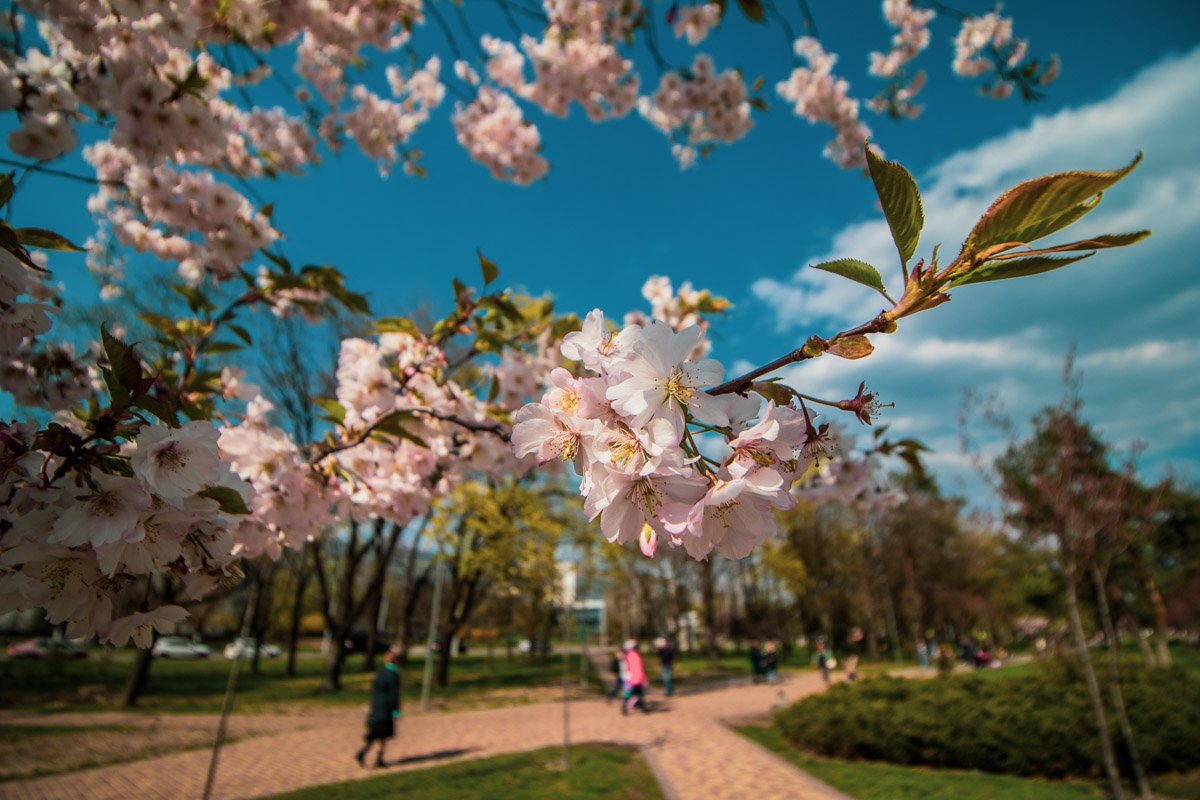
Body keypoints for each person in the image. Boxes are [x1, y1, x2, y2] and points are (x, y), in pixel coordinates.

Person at [355, 647, 401, 768]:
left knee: (375, 733)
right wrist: (396, 710)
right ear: (396, 661)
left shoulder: (380, 672)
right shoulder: (393, 674)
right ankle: (376, 758)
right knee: (383, 735)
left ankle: (367, 754)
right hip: (386, 709)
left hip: (376, 707)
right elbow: (393, 694)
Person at [622, 640, 649, 715]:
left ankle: (642, 707)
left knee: (630, 693)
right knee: (637, 693)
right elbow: (637, 668)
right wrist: (643, 678)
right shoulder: (634, 655)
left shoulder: (627, 655)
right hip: (634, 678)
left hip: (629, 678)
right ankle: (641, 707)